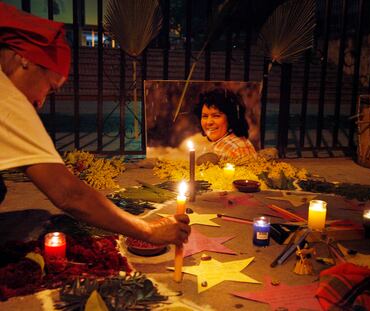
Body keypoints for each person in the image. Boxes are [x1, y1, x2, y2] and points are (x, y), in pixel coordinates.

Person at [0, 3, 190, 246]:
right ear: (24, 59)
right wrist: (148, 231)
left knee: (38, 220)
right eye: (50, 87)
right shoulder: (6, 98)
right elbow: (69, 194)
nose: (40, 102)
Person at [194, 88, 256, 162]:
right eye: (205, 116)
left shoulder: (236, 149)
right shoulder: (222, 143)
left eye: (216, 116)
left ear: (231, 118)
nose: (209, 122)